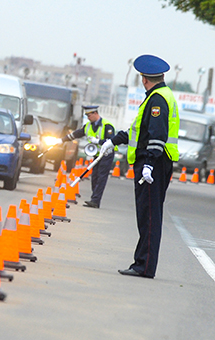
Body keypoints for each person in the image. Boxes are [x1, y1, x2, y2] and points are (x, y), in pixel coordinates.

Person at [100, 54, 179, 279]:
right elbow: (138, 131)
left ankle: (144, 266)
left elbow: (157, 136)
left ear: (144, 79)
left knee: (150, 216)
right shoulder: (157, 96)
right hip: (151, 161)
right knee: (146, 215)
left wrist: (149, 165)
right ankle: (141, 263)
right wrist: (113, 141)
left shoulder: (158, 100)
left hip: (152, 163)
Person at [56, 105, 116, 208]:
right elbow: (75, 134)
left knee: (101, 177)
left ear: (95, 113)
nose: (88, 117)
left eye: (89, 115)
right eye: (86, 115)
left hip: (106, 154)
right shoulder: (88, 126)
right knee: (95, 177)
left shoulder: (107, 126)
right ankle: (94, 198)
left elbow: (112, 141)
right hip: (97, 155)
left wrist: (98, 141)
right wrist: (61, 140)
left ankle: (95, 201)